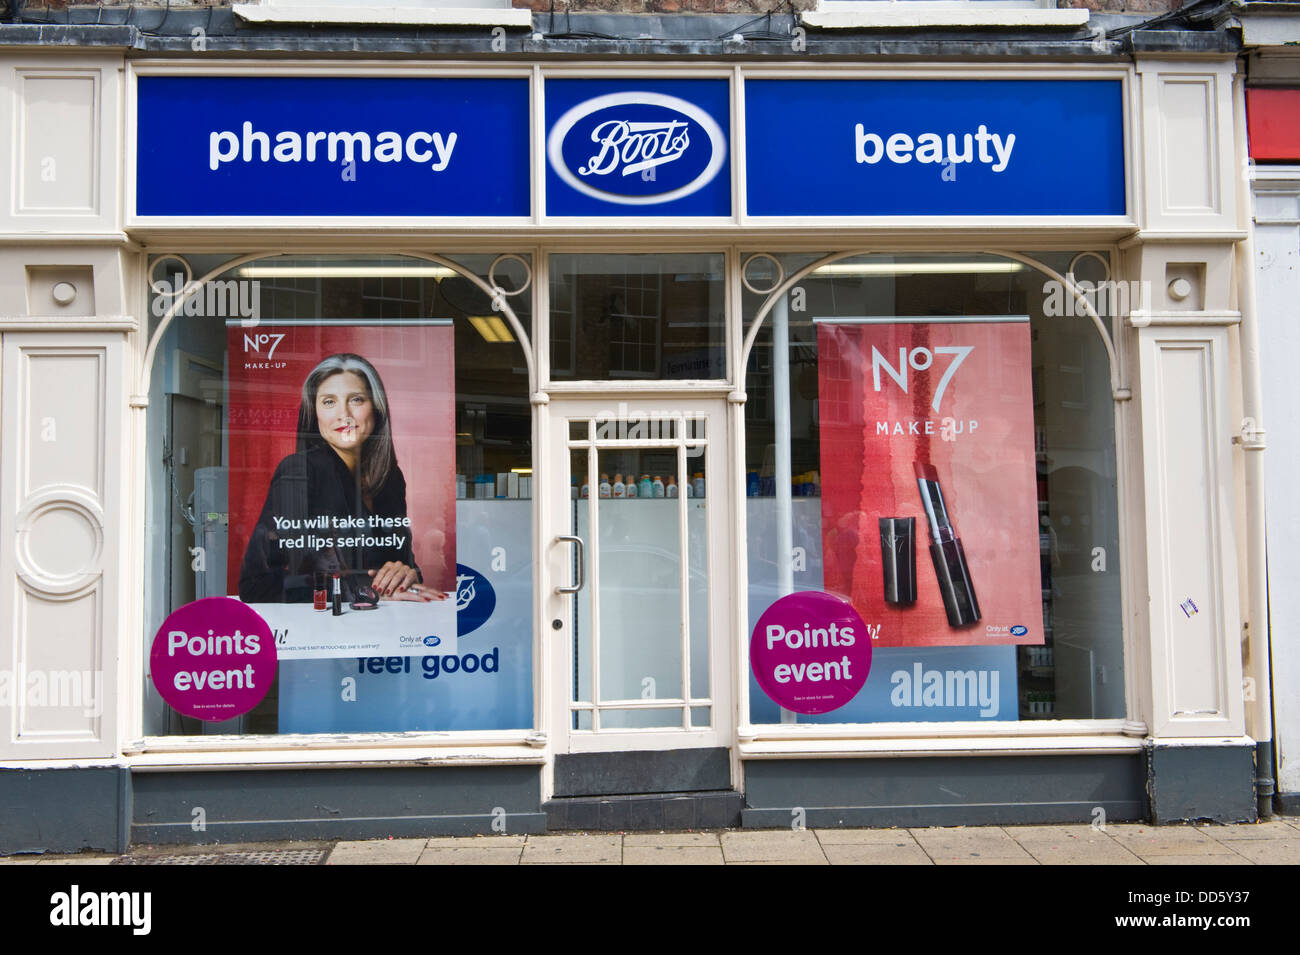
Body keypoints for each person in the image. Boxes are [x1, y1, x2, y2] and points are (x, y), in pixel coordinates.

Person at [238, 352, 445, 604]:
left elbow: (401, 565)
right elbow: (258, 585)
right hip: (323, 631)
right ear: (314, 413)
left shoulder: (389, 478)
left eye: (356, 400)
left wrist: (404, 575)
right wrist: (367, 590)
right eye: (328, 402)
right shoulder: (299, 471)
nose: (343, 414)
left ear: (376, 407)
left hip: (380, 628)